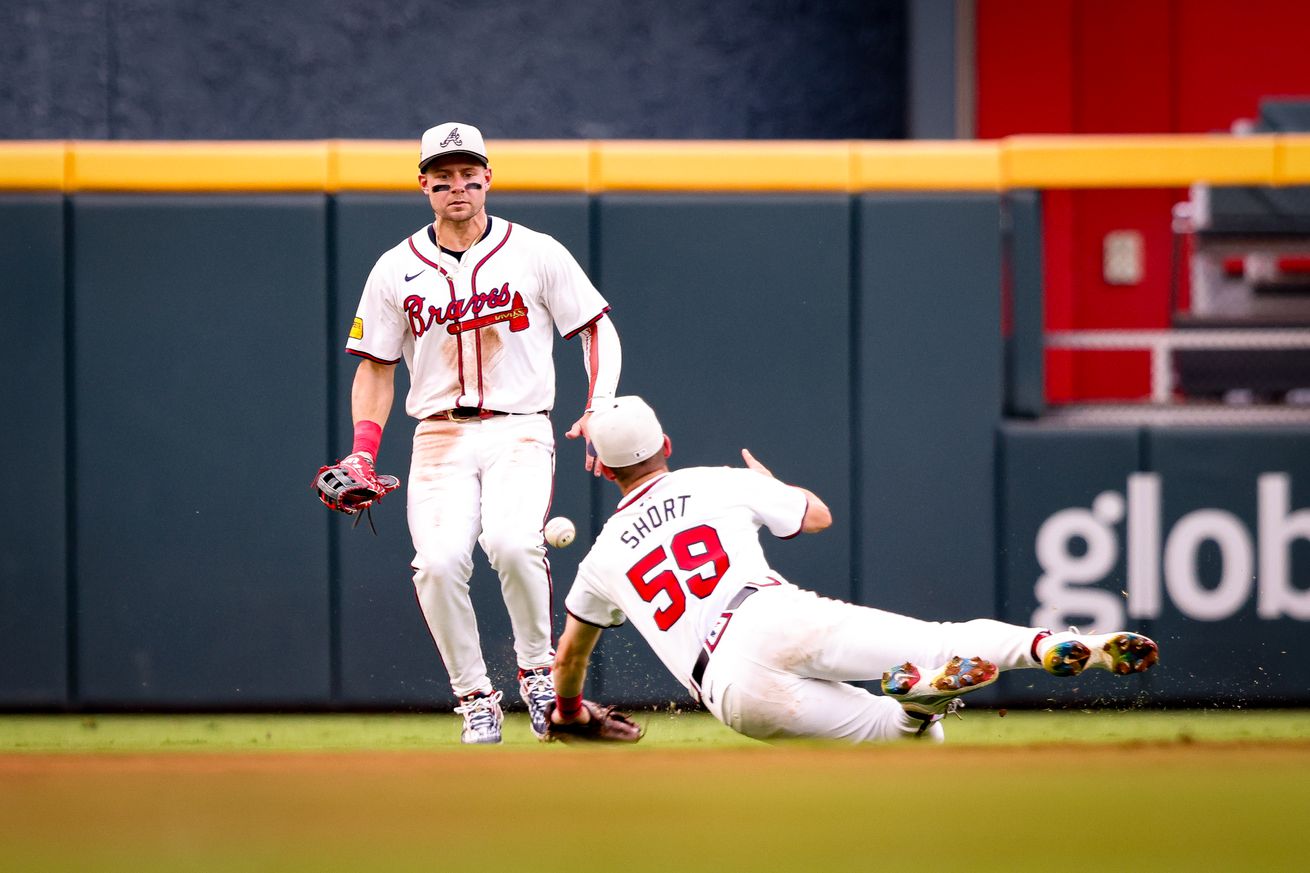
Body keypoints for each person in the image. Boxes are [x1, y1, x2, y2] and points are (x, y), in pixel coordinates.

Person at [548, 396, 1159, 743]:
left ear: (599, 468)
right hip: (767, 615)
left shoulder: (601, 559)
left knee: (904, 741)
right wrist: (771, 485)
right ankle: (1048, 644)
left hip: (731, 691)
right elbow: (816, 518)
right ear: (667, 444)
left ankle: (920, 705)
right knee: (942, 641)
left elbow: (570, 659)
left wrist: (572, 711)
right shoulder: (711, 480)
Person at [331, 122, 622, 744]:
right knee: (436, 565)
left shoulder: (535, 252)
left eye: (469, 172)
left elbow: (596, 328)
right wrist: (362, 450)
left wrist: (600, 406)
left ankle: (540, 675)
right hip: (438, 437)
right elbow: (376, 367)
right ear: (424, 185)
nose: (457, 184)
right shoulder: (394, 268)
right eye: (444, 175)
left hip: (519, 429)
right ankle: (473, 698)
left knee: (514, 544)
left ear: (488, 176)